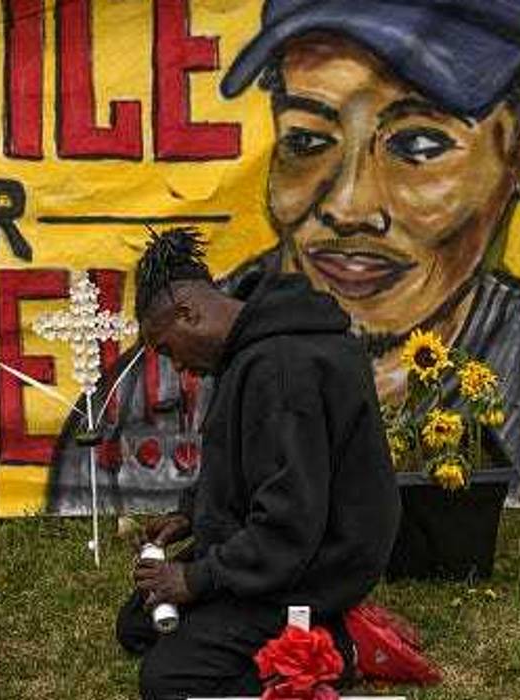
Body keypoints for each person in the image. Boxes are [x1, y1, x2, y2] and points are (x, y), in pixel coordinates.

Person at [47, 0, 520, 513]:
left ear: (518, 151)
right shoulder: (142, 401)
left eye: (417, 145)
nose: (348, 207)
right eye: (305, 139)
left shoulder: (506, 370)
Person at [115, 228, 400, 699]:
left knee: (167, 681)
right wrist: (191, 513)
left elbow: (289, 524)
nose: (177, 368)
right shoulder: (253, 344)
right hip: (284, 551)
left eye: (167, 349)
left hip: (313, 568)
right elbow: (254, 465)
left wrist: (194, 579)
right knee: (138, 624)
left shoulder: (281, 370)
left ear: (188, 313)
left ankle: (331, 650)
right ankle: (293, 633)